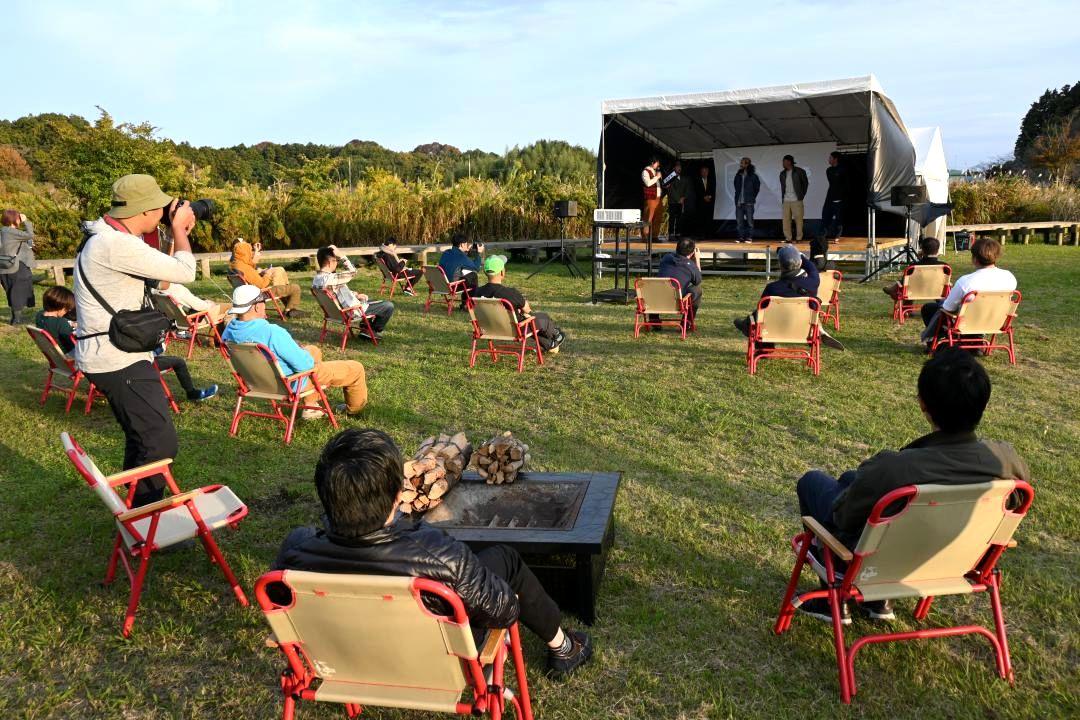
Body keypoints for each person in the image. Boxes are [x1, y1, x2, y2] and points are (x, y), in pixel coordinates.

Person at [272, 428, 594, 678]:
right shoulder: (440, 555)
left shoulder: (295, 551)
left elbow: (279, 606)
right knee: (505, 559)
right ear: (398, 495)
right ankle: (563, 647)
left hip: (344, 656)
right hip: (440, 664)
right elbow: (504, 610)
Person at [792, 349, 1030, 623]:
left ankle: (835, 601)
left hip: (874, 564)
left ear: (923, 405)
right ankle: (879, 602)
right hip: (955, 560)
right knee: (850, 479)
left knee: (813, 483)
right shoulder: (1007, 461)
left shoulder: (894, 469)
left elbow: (843, 518)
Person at [74, 174, 199, 506]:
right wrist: (179, 231)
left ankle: (137, 510)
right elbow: (186, 272)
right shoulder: (116, 244)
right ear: (144, 210)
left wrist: (175, 232)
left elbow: (161, 278)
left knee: (142, 437)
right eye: (159, 208)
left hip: (112, 352)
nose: (163, 213)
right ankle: (146, 519)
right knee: (159, 443)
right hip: (117, 357)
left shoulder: (104, 237)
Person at [221, 285, 369, 416]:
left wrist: (300, 351)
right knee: (356, 368)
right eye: (263, 303)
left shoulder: (227, 334)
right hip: (290, 383)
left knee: (313, 350)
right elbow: (306, 366)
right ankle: (354, 410)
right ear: (257, 307)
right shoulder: (271, 332)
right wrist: (299, 352)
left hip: (257, 382)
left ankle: (311, 406)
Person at [732, 244, 843, 349]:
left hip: (774, 328)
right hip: (803, 328)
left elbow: (762, 312)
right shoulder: (813, 281)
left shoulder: (772, 288)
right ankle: (818, 331)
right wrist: (799, 256)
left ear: (780, 266)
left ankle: (764, 347)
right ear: (799, 264)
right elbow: (812, 268)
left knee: (760, 315)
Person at [920, 237, 1016, 345]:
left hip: (968, 322)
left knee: (930, 308)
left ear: (974, 259)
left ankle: (934, 341)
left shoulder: (966, 282)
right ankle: (975, 341)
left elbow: (948, 308)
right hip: (996, 321)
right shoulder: (1009, 277)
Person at [471, 255, 565, 353]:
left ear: (485, 272)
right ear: (502, 272)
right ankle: (555, 334)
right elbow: (527, 310)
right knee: (541, 318)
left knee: (529, 321)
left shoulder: (476, 293)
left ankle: (550, 344)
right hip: (514, 330)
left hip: (488, 328)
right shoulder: (510, 293)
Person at [312, 245, 395, 337]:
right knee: (388, 306)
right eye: (336, 260)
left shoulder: (316, 279)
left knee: (368, 299)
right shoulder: (332, 278)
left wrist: (355, 295)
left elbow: (335, 293)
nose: (337, 263)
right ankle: (372, 330)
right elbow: (353, 271)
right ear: (329, 262)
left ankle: (365, 326)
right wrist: (342, 256)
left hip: (335, 313)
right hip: (351, 312)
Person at [229, 240, 307, 318]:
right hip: (261, 294)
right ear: (245, 253)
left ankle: (290, 308)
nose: (251, 253)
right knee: (295, 288)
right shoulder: (245, 268)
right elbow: (262, 284)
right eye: (249, 251)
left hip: (247, 295)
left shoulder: (234, 265)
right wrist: (268, 274)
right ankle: (288, 311)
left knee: (281, 280)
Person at [1, 209, 36, 324]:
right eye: (18, 218)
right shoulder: (12, 232)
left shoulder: (2, 231)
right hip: (14, 266)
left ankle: (15, 317)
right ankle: (16, 319)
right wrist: (26, 221)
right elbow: (30, 235)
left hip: (3, 267)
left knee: (11, 291)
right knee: (18, 290)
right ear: (14, 219)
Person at [883, 236, 944, 301]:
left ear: (922, 250)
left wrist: (920, 259)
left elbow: (904, 281)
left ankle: (906, 309)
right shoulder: (944, 266)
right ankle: (942, 305)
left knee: (907, 284)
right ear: (937, 251)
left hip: (915, 291)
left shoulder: (914, 266)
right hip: (937, 291)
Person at [811, 151, 846, 267]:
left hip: (839, 197)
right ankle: (822, 235)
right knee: (826, 215)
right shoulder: (829, 170)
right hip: (830, 196)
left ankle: (837, 236)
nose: (829, 159)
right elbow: (833, 182)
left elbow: (844, 184)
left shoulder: (843, 170)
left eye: (830, 158)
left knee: (838, 218)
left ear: (835, 159)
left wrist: (842, 196)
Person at [657, 237, 702, 312]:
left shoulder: (666, 258)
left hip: (656, 301)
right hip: (677, 302)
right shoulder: (690, 265)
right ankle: (687, 323)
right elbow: (698, 281)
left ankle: (654, 320)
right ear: (692, 253)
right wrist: (697, 260)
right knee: (697, 289)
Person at [35, 285, 77, 354]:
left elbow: (53, 325)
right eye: (67, 308)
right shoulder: (60, 322)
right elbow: (73, 344)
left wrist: (71, 324)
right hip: (68, 355)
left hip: (54, 354)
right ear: (60, 306)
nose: (69, 310)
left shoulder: (39, 315)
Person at [779, 155, 809, 242]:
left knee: (798, 220)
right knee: (786, 220)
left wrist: (801, 195)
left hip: (797, 200)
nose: (783, 163)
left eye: (784, 161)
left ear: (789, 162)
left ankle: (799, 238)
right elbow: (783, 187)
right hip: (786, 200)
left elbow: (805, 184)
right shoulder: (782, 173)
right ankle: (788, 238)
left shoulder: (799, 171)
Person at [733, 157, 760, 243]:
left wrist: (751, 197)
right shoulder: (738, 175)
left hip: (749, 202)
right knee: (739, 222)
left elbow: (756, 188)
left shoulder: (753, 176)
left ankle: (749, 237)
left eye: (743, 163)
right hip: (739, 202)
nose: (741, 164)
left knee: (750, 221)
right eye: (741, 163)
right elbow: (736, 186)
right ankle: (740, 237)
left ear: (747, 164)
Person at [664, 161, 691, 238]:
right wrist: (678, 199)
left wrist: (683, 197)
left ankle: (678, 233)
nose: (679, 168)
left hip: (681, 201)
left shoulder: (684, 178)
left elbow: (687, 189)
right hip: (673, 201)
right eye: (677, 167)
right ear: (674, 168)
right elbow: (671, 190)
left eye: (680, 167)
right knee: (672, 218)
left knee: (679, 218)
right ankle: (671, 233)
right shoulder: (670, 178)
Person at [641, 158, 664, 241]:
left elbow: (658, 184)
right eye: (657, 163)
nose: (658, 165)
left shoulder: (656, 172)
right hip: (650, 198)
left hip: (658, 197)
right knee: (648, 217)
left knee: (658, 217)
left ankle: (654, 236)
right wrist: (657, 177)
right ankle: (645, 236)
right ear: (652, 163)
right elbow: (648, 183)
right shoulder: (645, 171)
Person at [694, 165, 716, 238]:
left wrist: (710, 196)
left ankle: (708, 234)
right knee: (700, 219)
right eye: (703, 172)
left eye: (706, 171)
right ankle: (701, 234)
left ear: (708, 172)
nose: (704, 173)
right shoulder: (697, 180)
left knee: (709, 219)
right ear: (700, 172)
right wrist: (703, 197)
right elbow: (696, 191)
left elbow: (714, 190)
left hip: (709, 203)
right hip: (700, 203)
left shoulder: (712, 180)